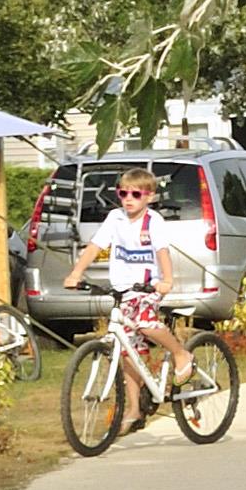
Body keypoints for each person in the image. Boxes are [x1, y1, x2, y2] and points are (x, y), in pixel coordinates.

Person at [62, 168, 201, 412]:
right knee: (129, 349)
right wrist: (76, 272)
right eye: (123, 193)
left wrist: (167, 280)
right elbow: (95, 246)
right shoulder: (115, 218)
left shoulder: (152, 221)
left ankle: (181, 355)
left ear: (149, 197)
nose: (128, 198)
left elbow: (162, 252)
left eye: (136, 194)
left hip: (148, 287)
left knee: (145, 323)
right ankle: (134, 409)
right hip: (123, 289)